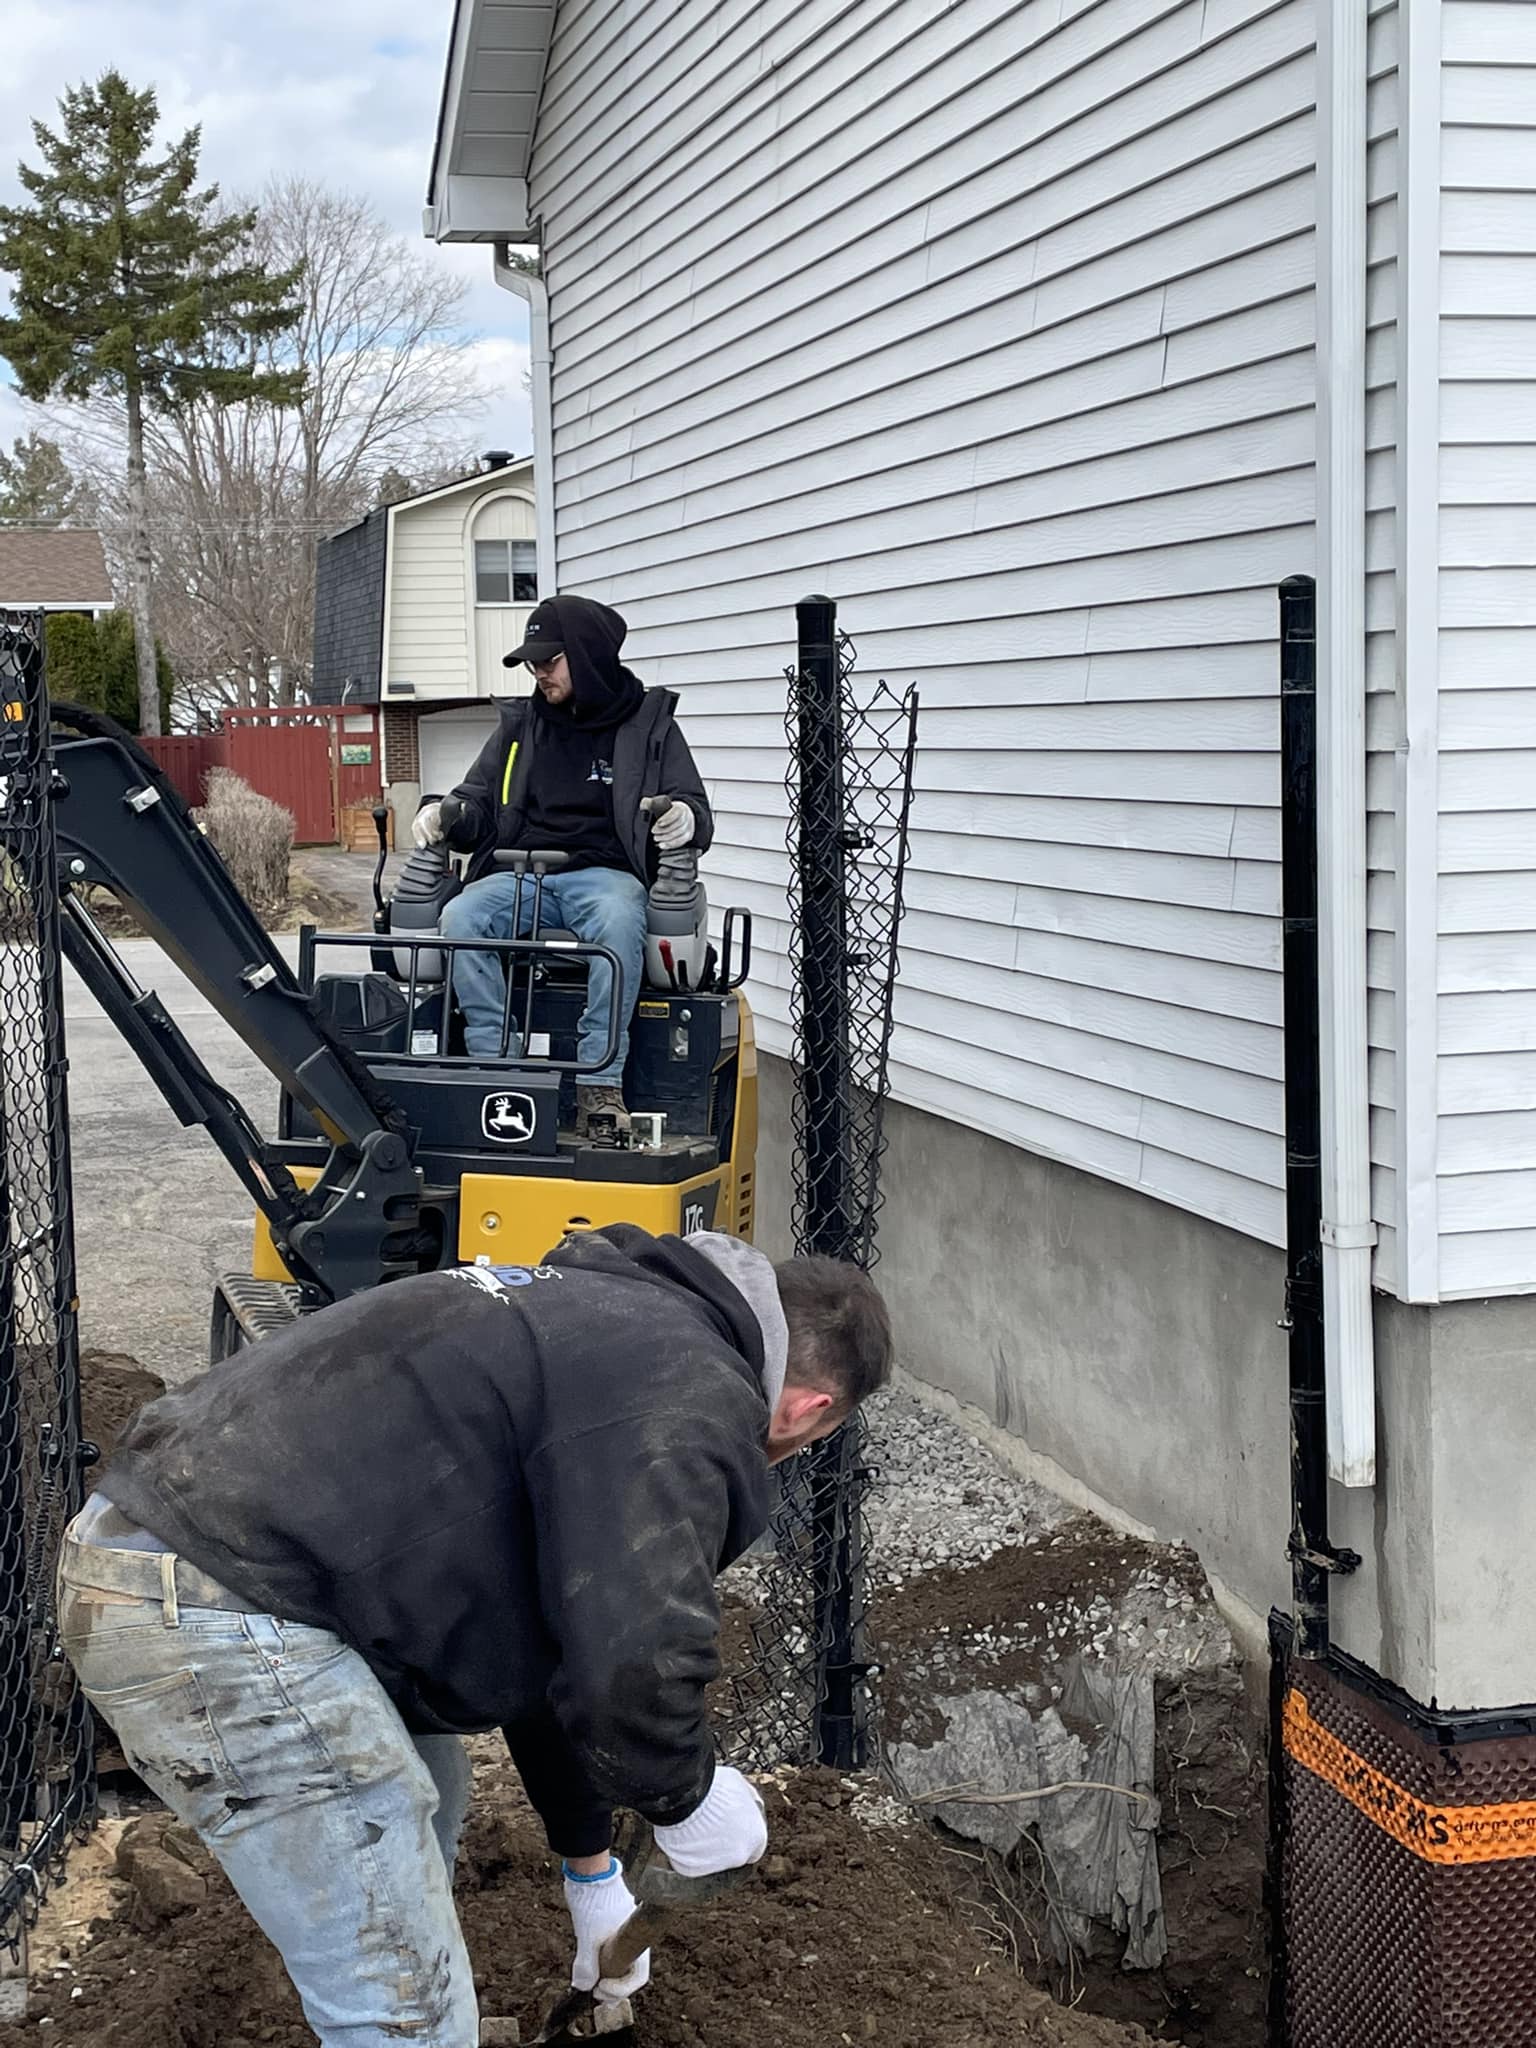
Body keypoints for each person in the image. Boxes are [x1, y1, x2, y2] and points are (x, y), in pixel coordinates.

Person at [58, 1225, 892, 2048]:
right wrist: (686, 1797)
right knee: (408, 2012)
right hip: (214, 1604)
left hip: (172, 1546)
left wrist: (591, 1872)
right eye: (810, 1440)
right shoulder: (691, 1389)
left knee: (432, 1788)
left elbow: (558, 1642)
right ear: (811, 1409)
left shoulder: (619, 1322)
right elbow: (633, 1659)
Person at [417, 593, 712, 1136]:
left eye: (548, 661)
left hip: (605, 875)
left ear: (588, 653)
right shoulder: (520, 725)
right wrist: (446, 815)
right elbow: (477, 801)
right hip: (519, 873)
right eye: (531, 663)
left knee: (620, 922)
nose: (537, 673)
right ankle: (495, 1065)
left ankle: (600, 1082)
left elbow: (693, 806)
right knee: (460, 918)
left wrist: (687, 821)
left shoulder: (649, 728)